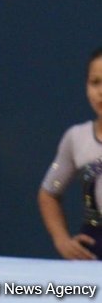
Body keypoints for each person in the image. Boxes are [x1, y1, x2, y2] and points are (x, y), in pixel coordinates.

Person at [38, 46, 102, 260]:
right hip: (94, 248)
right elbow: (49, 193)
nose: (101, 91)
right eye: (95, 82)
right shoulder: (77, 138)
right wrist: (61, 240)